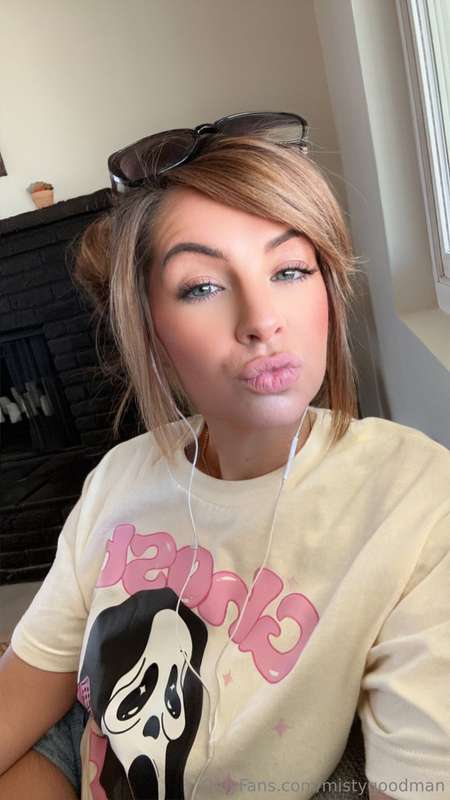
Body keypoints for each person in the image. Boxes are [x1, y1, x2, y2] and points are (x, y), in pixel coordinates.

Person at [0, 112, 449, 800]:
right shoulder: (119, 478)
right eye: (202, 286)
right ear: (149, 326)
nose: (263, 320)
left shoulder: (418, 501)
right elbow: (31, 685)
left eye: (290, 270)